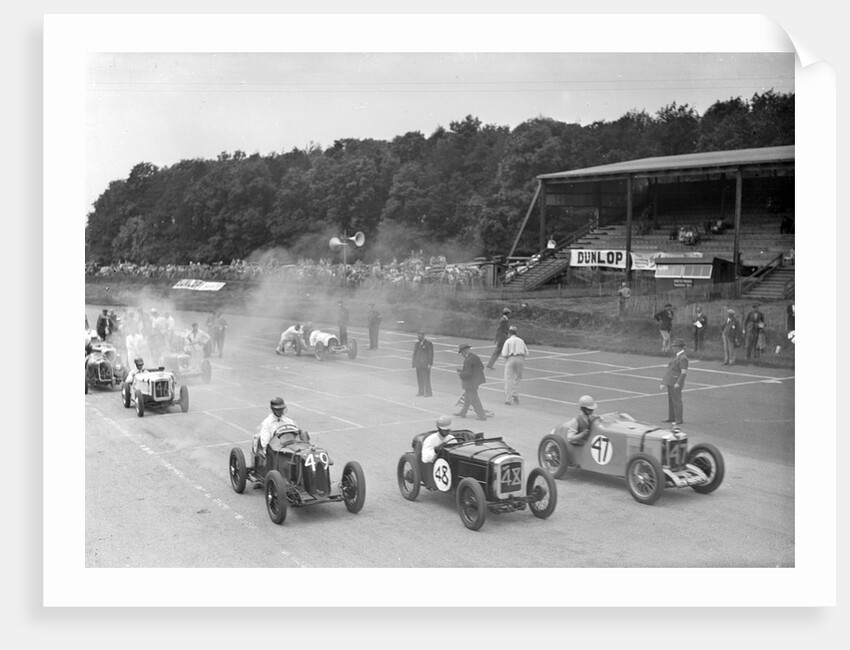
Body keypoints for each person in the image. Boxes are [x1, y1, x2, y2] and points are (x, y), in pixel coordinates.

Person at [253, 397, 307, 469]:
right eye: (278, 409)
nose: (280, 411)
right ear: (273, 409)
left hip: (289, 447)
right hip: (274, 450)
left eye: (281, 409)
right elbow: (265, 443)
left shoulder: (288, 421)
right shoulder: (267, 423)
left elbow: (297, 434)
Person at [454, 343, 489, 421]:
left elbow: (468, 373)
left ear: (465, 351)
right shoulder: (475, 357)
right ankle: (463, 412)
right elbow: (481, 367)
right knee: (467, 397)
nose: (461, 354)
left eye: (462, 353)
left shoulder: (468, 360)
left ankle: (482, 415)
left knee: (473, 399)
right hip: (476, 380)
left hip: (471, 382)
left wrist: (461, 374)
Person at [660, 338, 689, 428]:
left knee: (676, 401)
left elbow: (683, 372)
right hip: (671, 381)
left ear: (679, 347)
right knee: (671, 401)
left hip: (675, 382)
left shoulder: (683, 358)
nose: (673, 348)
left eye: (675, 347)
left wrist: (679, 383)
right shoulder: (677, 356)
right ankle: (672, 417)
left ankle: (678, 419)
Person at [501, 325, 528, 405]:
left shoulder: (508, 341)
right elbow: (527, 352)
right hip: (520, 358)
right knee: (518, 377)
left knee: (508, 378)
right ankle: (515, 394)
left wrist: (506, 358)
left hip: (511, 358)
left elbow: (504, 353)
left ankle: (508, 399)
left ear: (509, 333)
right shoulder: (521, 340)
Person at [411, 330, 434, 397]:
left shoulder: (428, 343)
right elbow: (414, 354)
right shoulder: (417, 344)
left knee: (426, 378)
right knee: (419, 378)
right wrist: (413, 363)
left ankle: (428, 392)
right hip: (418, 364)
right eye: (418, 335)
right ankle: (421, 391)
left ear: (423, 336)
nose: (418, 337)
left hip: (425, 364)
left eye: (420, 335)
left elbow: (430, 354)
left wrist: (430, 363)